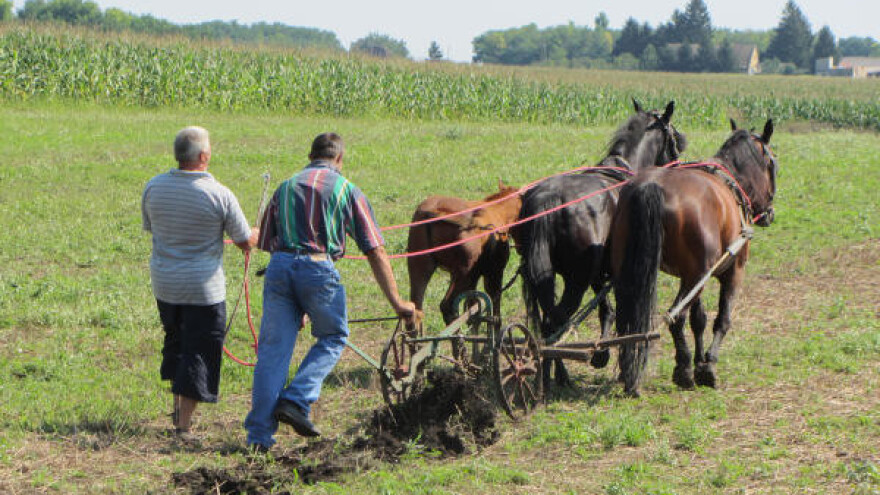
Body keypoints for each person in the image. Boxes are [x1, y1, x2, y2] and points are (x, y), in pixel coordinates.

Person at [244, 132, 415, 451]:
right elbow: (375, 251)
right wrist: (397, 301)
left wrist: (296, 303)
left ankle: (258, 438)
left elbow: (268, 243)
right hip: (317, 268)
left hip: (279, 269)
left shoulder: (284, 187)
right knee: (335, 335)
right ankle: (297, 399)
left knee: (272, 353)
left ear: (310, 156)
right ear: (339, 158)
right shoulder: (347, 190)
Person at [142, 126, 259, 438]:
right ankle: (182, 427)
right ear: (204, 156)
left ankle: (180, 411)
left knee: (178, 343)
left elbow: (153, 227)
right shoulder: (219, 194)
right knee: (199, 352)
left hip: (165, 285)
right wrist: (256, 234)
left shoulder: (153, 187)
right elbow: (245, 240)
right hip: (202, 289)